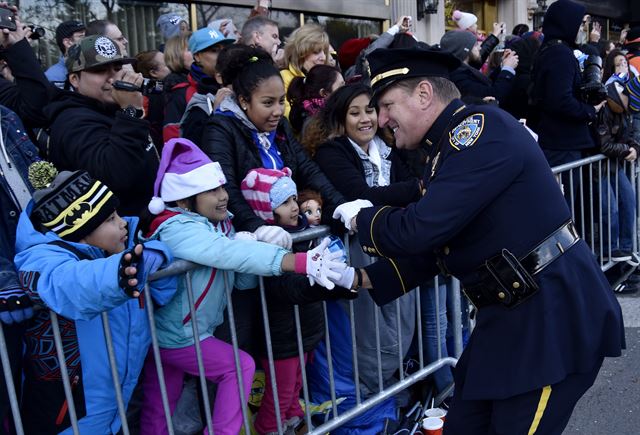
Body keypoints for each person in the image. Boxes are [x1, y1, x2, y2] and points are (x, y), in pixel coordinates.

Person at [330, 46, 624, 434]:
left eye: (386, 105)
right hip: (507, 319)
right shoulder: (448, 147)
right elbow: (442, 248)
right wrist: (357, 278)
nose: (381, 119)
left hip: (550, 320)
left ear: (423, 95)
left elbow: (422, 228)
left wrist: (361, 219)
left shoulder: (479, 132)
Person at [140, 139, 346, 435]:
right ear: (185, 199)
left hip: (184, 331)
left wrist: (248, 246)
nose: (223, 196)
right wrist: (299, 262)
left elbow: (240, 278)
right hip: (177, 335)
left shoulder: (219, 225)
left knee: (160, 406)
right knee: (237, 367)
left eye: (223, 187)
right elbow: (227, 254)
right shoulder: (176, 228)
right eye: (212, 190)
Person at [14, 168, 176, 434]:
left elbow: (164, 293)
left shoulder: (122, 250)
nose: (123, 223)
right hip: (71, 412)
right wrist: (117, 275)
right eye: (111, 219)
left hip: (117, 400)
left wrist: (156, 253)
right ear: (80, 230)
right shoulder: (42, 259)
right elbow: (73, 282)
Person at [240, 167, 356, 434]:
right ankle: (270, 428)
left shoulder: (303, 234)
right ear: (264, 210)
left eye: (294, 200)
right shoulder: (268, 247)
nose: (295, 207)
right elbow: (288, 288)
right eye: (284, 203)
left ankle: (294, 421)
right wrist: (330, 287)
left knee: (293, 389)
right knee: (278, 398)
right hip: (282, 337)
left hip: (303, 331)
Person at [201, 45, 346, 243]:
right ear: (244, 101)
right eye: (268, 103)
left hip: (289, 236)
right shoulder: (220, 128)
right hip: (249, 246)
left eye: (281, 101)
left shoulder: (280, 126)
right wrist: (258, 229)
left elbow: (307, 169)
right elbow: (226, 188)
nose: (278, 111)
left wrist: (342, 206)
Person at [44, 35, 159, 217]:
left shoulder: (111, 108)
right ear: (75, 79)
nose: (113, 78)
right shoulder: (72, 122)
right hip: (121, 237)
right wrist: (131, 111)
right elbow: (116, 176)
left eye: (117, 68)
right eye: (100, 70)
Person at [0, 105, 38, 435]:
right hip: (7, 288)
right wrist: (4, 278)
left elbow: (41, 181)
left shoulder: (8, 116)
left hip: (35, 275)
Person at [530, 0, 605, 167]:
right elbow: (561, 100)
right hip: (563, 145)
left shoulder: (552, 50)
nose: (581, 29)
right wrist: (590, 110)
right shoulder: (559, 54)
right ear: (567, 24)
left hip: (559, 142)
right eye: (579, 24)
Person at [163, 27, 234, 142]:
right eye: (214, 50)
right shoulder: (180, 94)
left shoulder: (234, 84)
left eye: (224, 50)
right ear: (197, 56)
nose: (222, 55)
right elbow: (174, 145)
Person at [439, 30, 518, 106]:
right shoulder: (458, 76)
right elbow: (494, 96)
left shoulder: (463, 70)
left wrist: (503, 65)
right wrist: (507, 69)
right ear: (466, 50)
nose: (480, 48)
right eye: (476, 45)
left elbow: (487, 84)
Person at [281, 24, 331, 118]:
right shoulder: (284, 78)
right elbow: (288, 117)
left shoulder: (330, 79)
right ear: (300, 53)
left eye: (325, 52)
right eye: (316, 52)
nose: (323, 58)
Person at [286, 64, 344, 135]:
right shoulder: (311, 122)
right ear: (324, 93)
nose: (346, 89)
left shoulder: (333, 110)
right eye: (341, 86)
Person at [135, 49, 171, 150]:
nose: (172, 65)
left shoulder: (146, 92)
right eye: (167, 64)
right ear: (154, 73)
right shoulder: (157, 97)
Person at [45, 20, 86, 89]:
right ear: (67, 43)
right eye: (81, 36)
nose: (87, 39)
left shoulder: (92, 67)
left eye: (86, 35)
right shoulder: (52, 77)